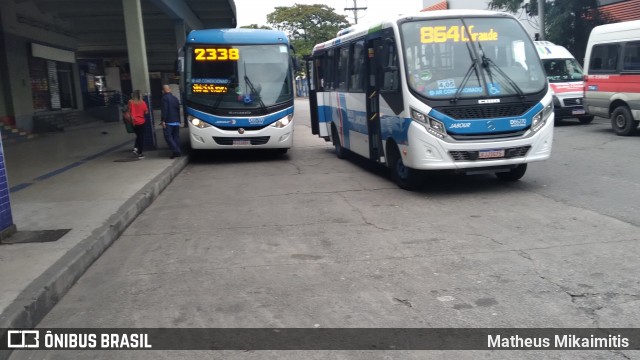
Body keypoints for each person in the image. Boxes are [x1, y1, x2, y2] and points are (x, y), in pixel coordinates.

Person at [160, 84, 182, 159]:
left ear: (163, 90)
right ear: (170, 89)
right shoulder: (175, 98)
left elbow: (165, 110)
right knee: (176, 137)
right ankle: (175, 152)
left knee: (168, 136)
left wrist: (163, 120)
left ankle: (176, 150)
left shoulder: (164, 98)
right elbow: (178, 110)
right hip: (176, 121)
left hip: (169, 121)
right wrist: (179, 120)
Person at [128, 90, 148, 159]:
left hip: (133, 122)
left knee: (138, 136)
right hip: (141, 122)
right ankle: (140, 153)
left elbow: (129, 111)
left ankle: (135, 148)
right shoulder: (143, 103)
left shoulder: (130, 102)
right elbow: (146, 112)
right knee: (141, 137)